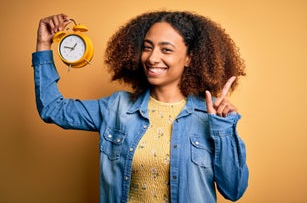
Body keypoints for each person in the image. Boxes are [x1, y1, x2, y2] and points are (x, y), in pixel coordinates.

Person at [32, 11, 249, 203]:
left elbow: (234, 190)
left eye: (166, 50)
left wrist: (222, 128)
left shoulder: (211, 117)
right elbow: (52, 108)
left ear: (189, 58)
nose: (153, 58)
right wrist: (43, 44)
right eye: (147, 48)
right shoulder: (116, 108)